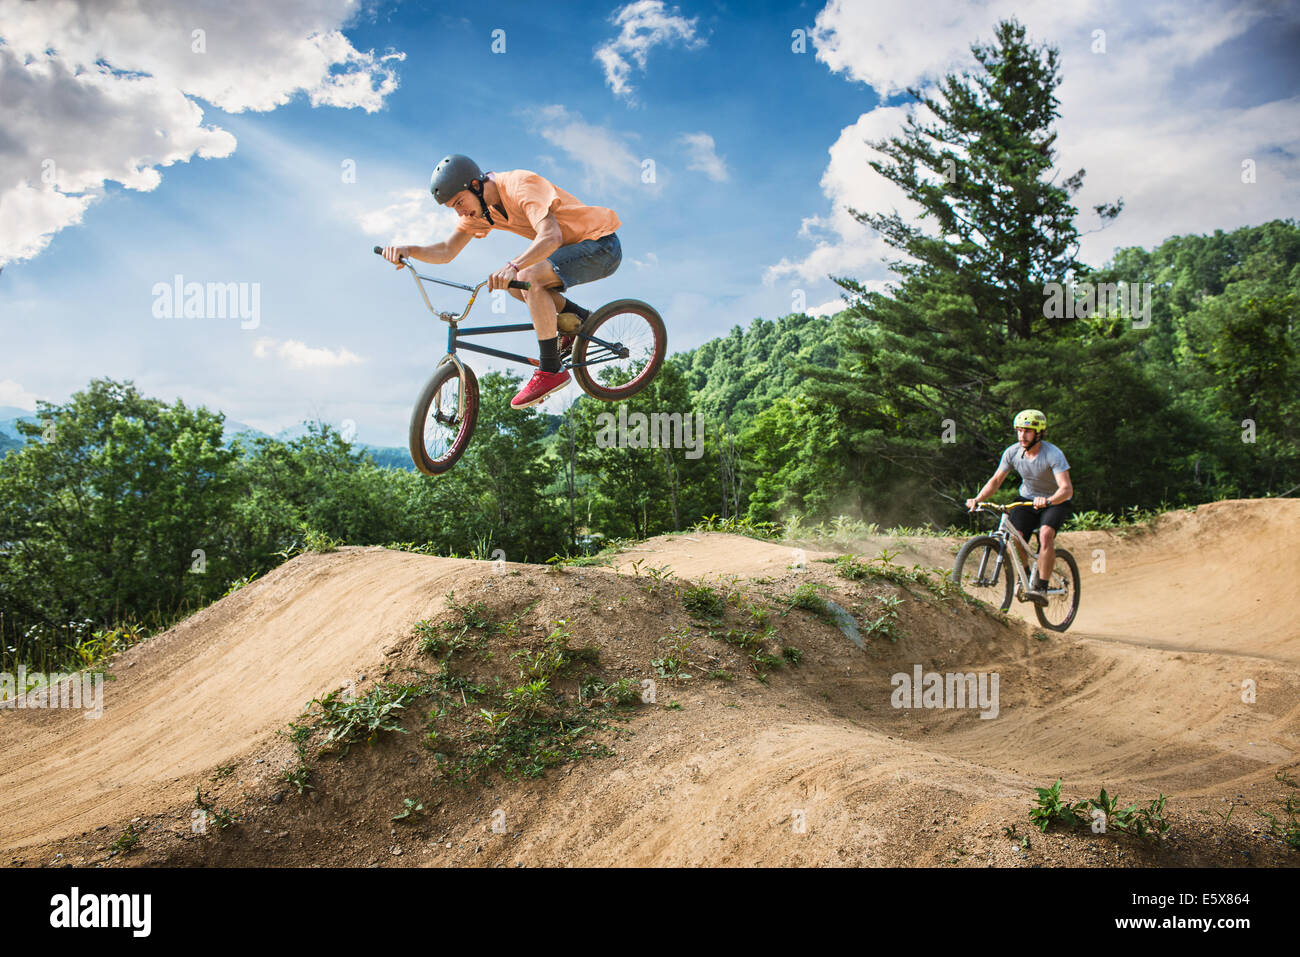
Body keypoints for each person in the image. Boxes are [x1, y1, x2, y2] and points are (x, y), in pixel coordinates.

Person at [381, 154, 622, 409]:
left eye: (460, 202)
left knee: (525, 276)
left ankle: (551, 370)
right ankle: (579, 319)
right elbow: (446, 250)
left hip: (601, 246)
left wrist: (513, 265)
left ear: (476, 185)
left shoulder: (521, 185)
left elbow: (551, 237)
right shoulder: (480, 211)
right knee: (517, 285)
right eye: (453, 208)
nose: (460, 212)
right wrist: (409, 250)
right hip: (573, 251)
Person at [964, 409, 1074, 602]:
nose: (1022, 436)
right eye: (1019, 431)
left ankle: (1042, 586)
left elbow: (1066, 489)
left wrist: (1048, 500)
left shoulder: (1053, 454)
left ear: (1039, 433)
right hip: (1027, 499)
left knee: (1046, 535)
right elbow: (996, 480)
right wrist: (978, 498)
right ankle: (1025, 577)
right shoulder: (1013, 452)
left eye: (1027, 431)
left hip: (1055, 501)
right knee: (1015, 535)